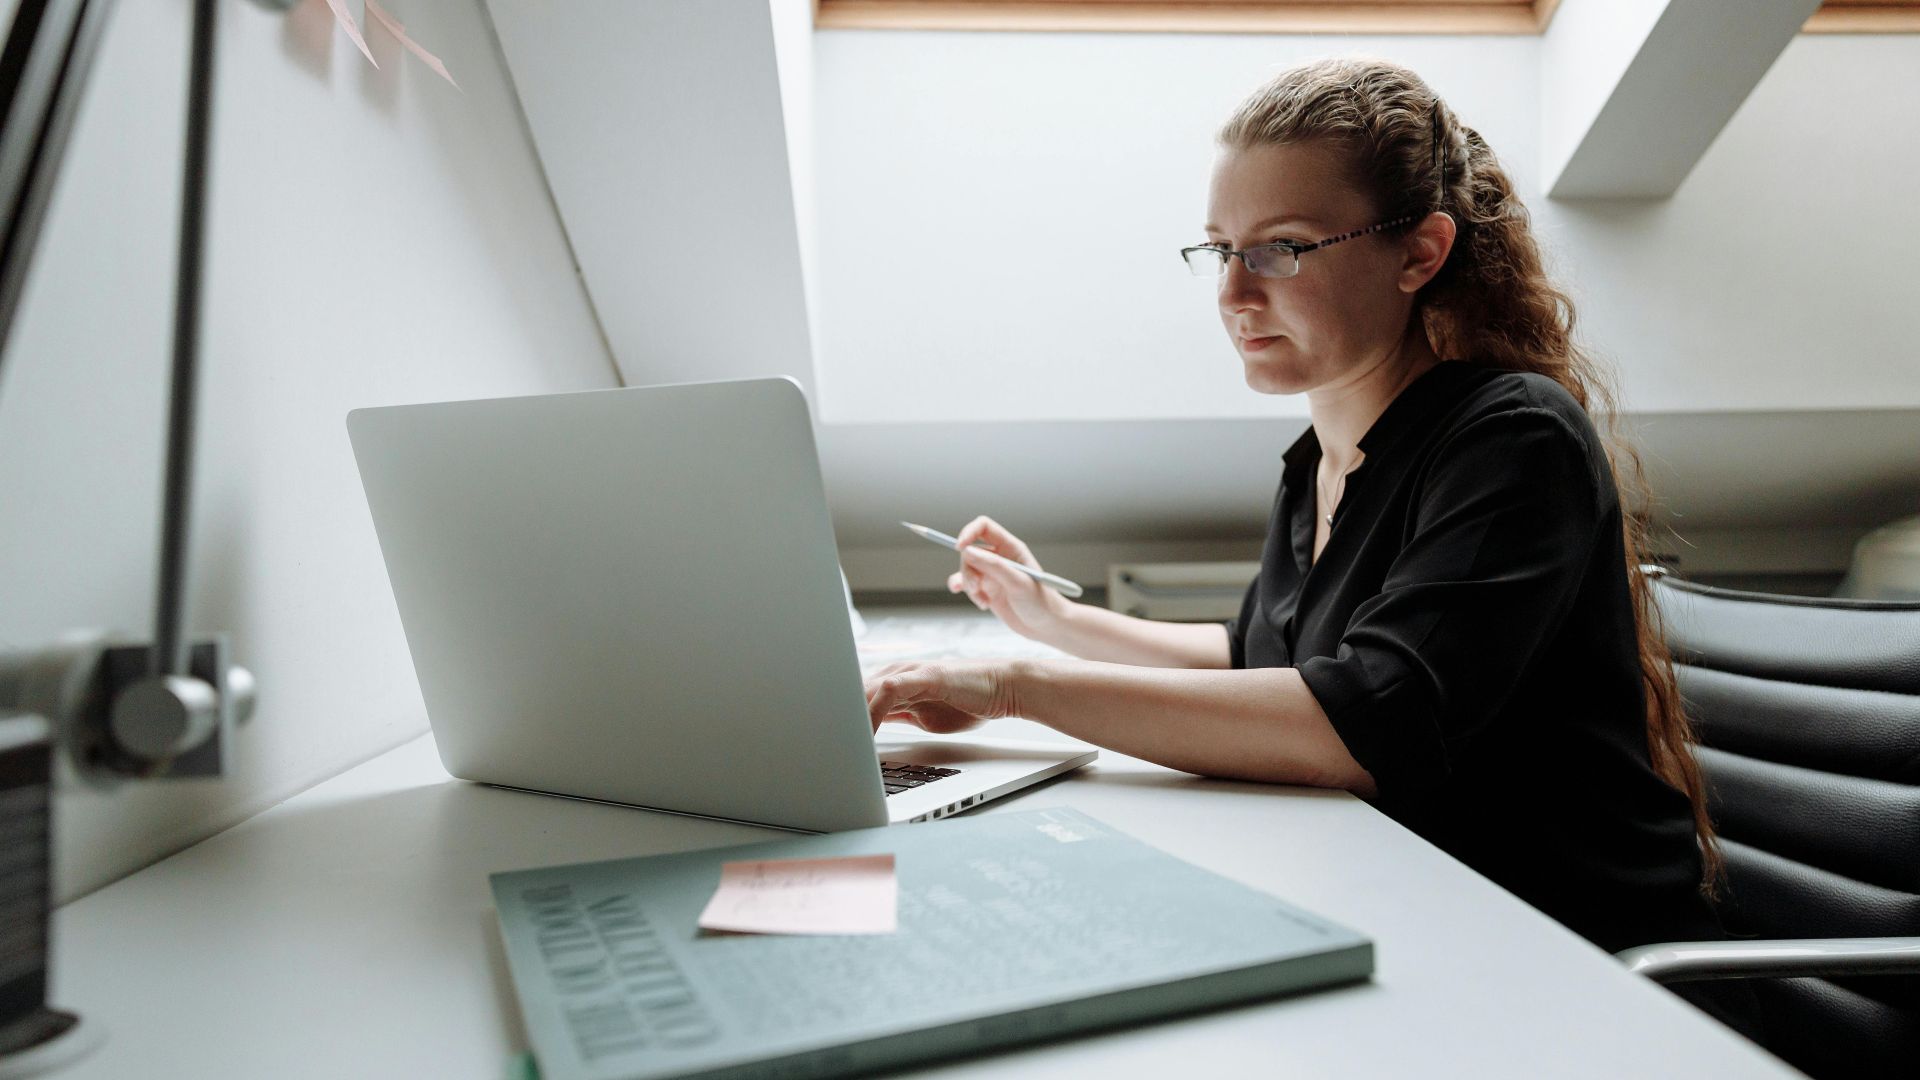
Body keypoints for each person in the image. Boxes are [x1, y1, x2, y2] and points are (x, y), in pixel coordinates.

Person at [861, 56, 1764, 1043]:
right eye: (1219, 250)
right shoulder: (1317, 460)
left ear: (1419, 252)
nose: (1235, 294)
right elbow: (1268, 661)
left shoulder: (1515, 439)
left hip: (1572, 969)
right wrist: (1058, 622)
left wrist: (1018, 682)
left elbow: (1358, 722)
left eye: (1283, 249)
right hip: (1421, 917)